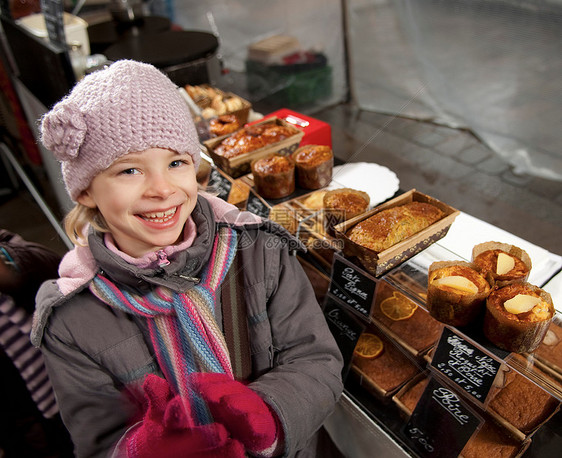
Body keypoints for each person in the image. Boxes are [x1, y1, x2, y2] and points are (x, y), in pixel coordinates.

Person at [31, 60, 344, 458]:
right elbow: (99, 441)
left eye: (176, 163)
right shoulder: (71, 321)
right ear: (86, 191)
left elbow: (316, 359)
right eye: (129, 170)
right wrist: (143, 450)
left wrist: (271, 416)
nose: (162, 189)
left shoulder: (260, 253)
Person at [0, 229, 73, 457]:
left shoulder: (10, 246)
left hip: (74, 385)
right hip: (23, 423)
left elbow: (55, 274)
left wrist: (9, 268)